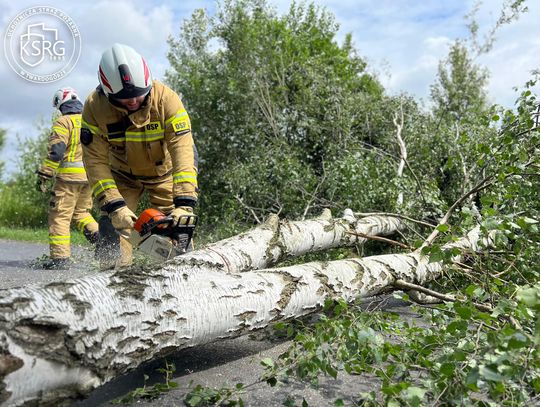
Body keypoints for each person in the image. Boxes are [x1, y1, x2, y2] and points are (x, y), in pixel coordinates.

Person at [81, 43, 198, 269]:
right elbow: (94, 160)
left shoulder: (167, 99)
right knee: (112, 227)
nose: (133, 101)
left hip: (163, 172)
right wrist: (114, 206)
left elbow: (183, 149)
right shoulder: (94, 107)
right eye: (125, 98)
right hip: (121, 175)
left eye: (138, 94)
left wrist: (184, 202)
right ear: (106, 90)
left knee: (178, 229)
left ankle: (184, 274)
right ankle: (109, 279)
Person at [36, 87, 99, 269]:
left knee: (60, 217)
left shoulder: (63, 122)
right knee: (82, 214)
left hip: (68, 180)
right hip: (90, 178)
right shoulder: (90, 120)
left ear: (60, 105)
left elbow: (56, 152)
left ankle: (60, 259)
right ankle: (102, 242)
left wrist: (45, 174)